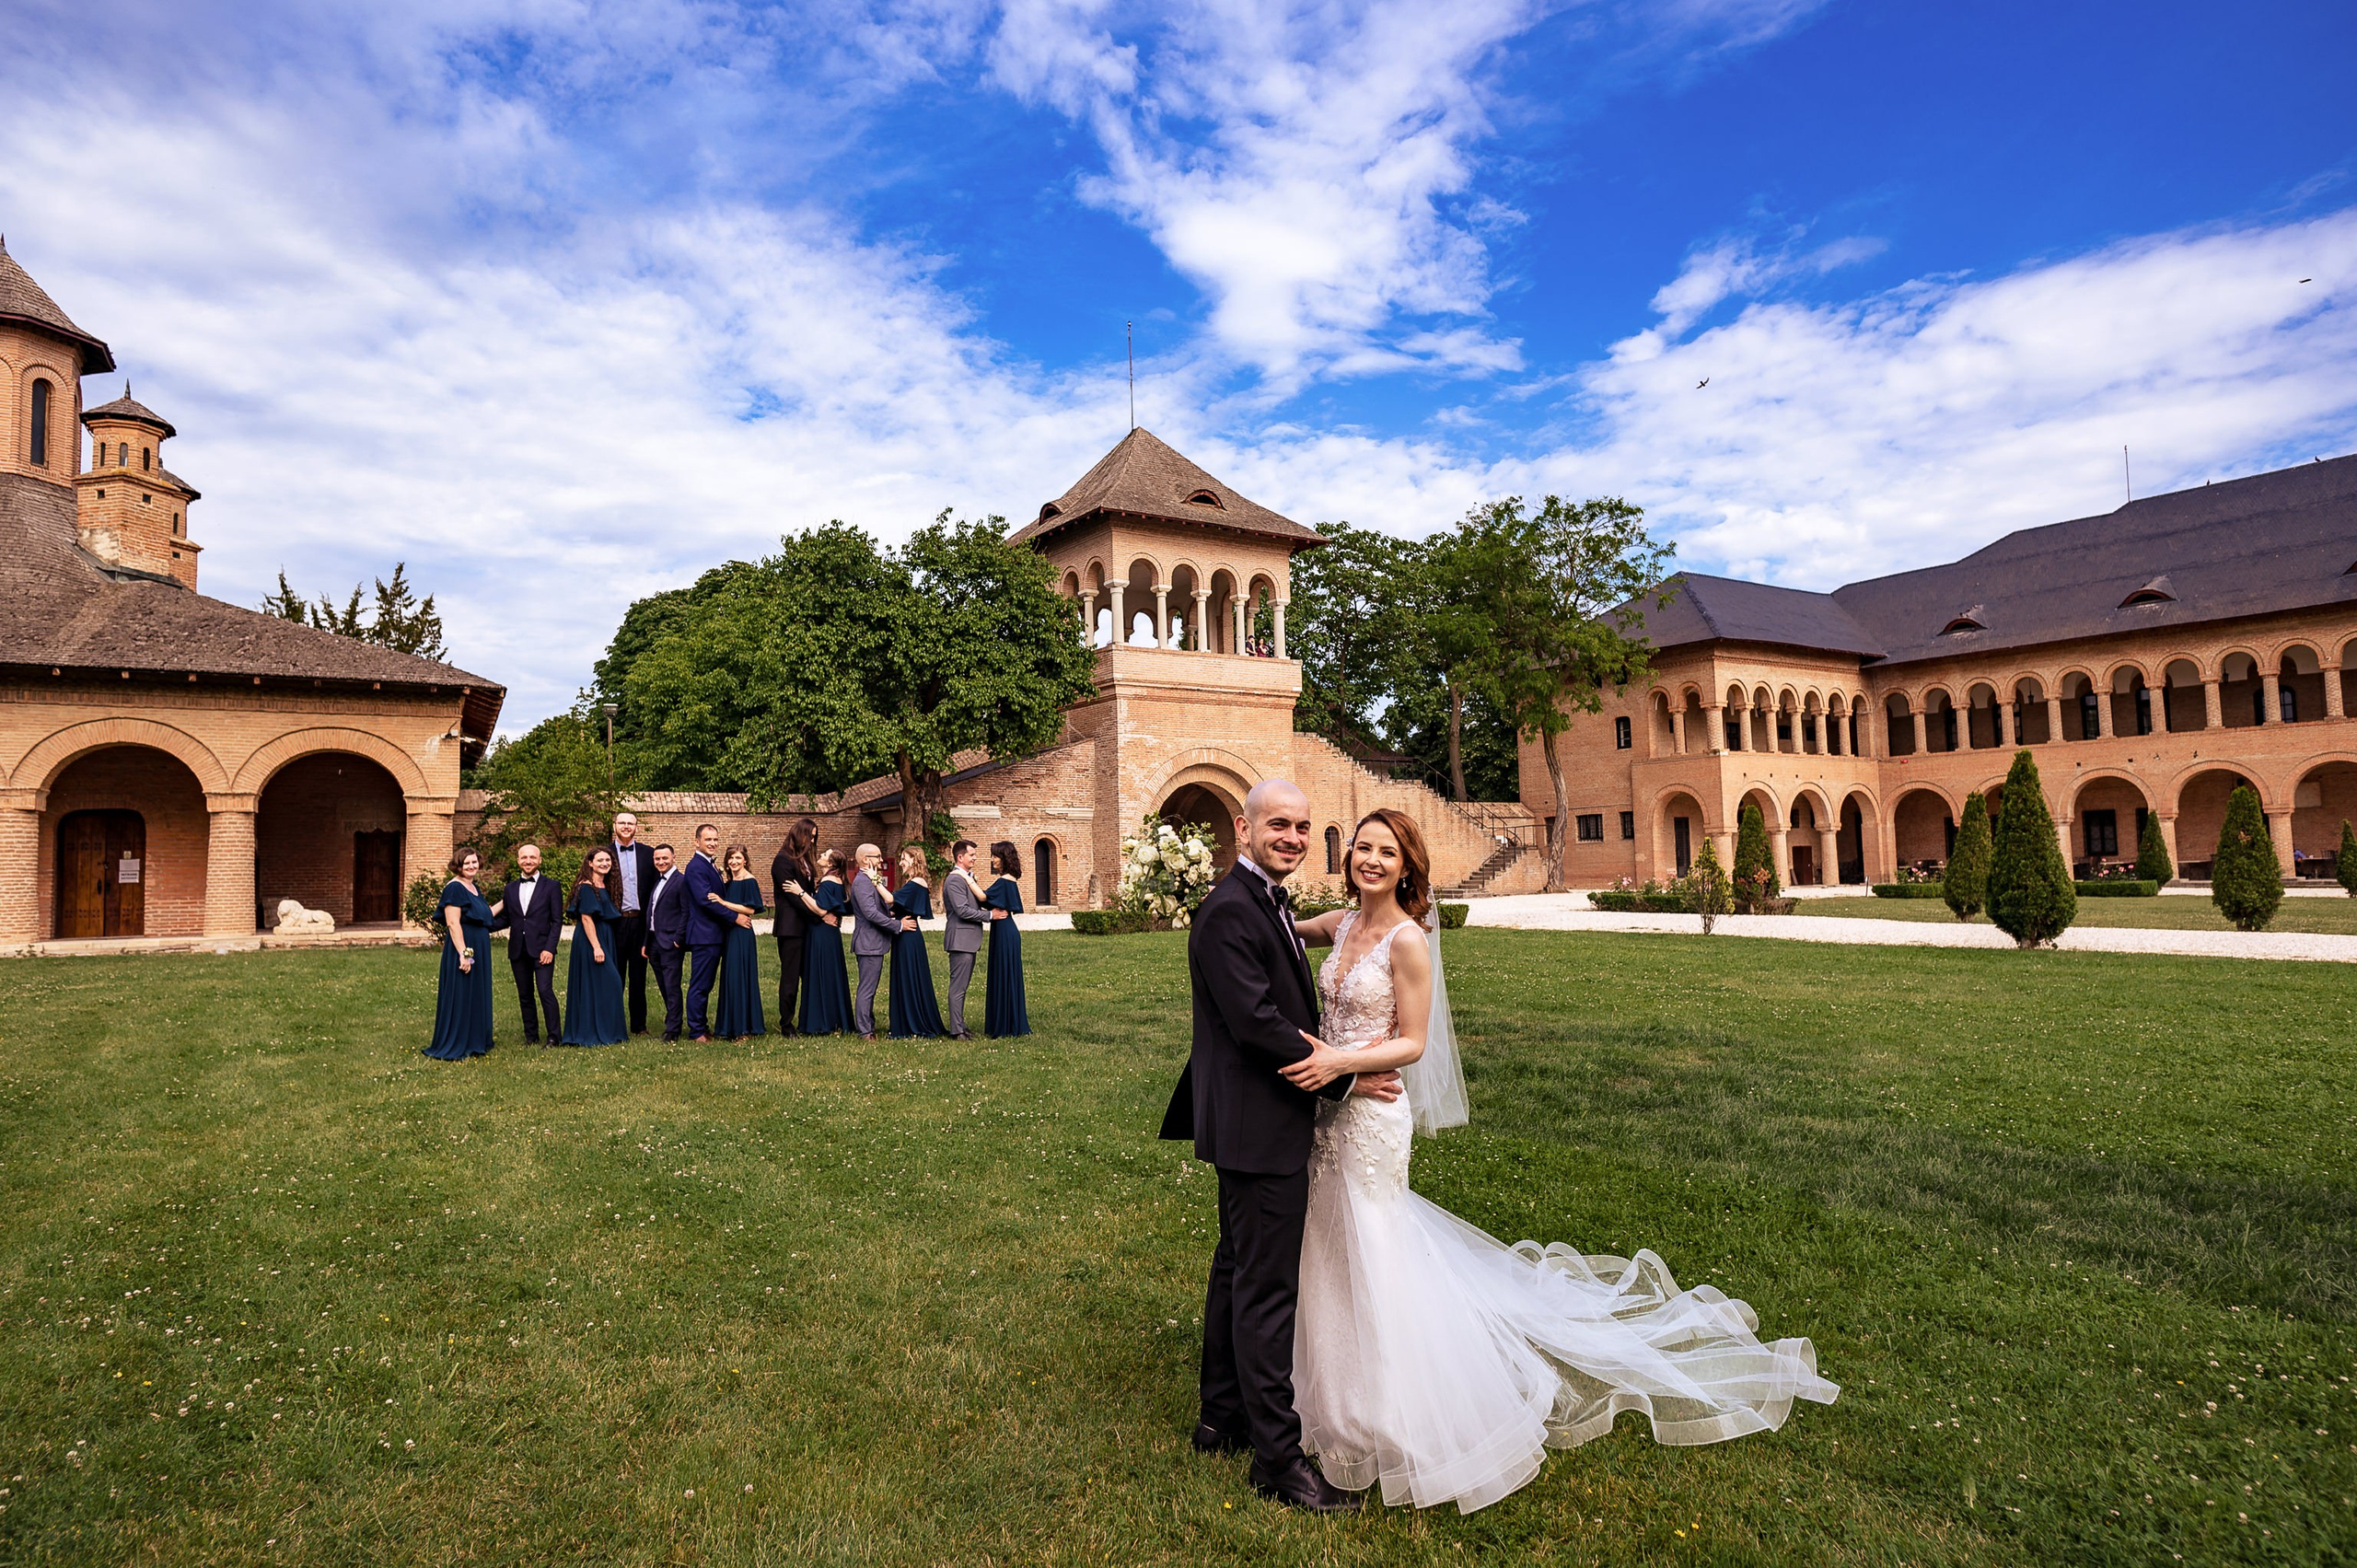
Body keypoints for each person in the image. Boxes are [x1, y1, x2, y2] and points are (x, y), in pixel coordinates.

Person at [1279, 808, 1838, 1513]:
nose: (1370, 859)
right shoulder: (1337, 924)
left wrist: (1338, 1060)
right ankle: (1322, 1393)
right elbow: (1272, 931)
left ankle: (1394, 1408)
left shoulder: (1406, 940)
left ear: (1406, 865)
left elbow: (1414, 1042)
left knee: (1375, 1244)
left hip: (1371, 1114)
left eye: (1386, 852)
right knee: (1328, 1245)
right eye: (1361, 845)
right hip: (1328, 1113)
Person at [1159, 779, 1384, 1512]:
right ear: (1243, 828)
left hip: (1250, 1121)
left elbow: (1283, 975)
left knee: (1235, 1271)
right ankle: (1278, 1462)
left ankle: (1219, 1416)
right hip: (1260, 1124)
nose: (1291, 836)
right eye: (1279, 825)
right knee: (1266, 1290)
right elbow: (1257, 1023)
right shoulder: (1229, 910)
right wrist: (1346, 1081)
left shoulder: (1264, 899)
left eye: (1302, 825)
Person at [424, 848, 500, 1061]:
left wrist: (508, 899)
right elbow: (453, 923)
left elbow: (484, 915)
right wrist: (465, 954)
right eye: (466, 863)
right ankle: (458, 1042)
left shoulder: (472, 887)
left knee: (475, 992)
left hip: (479, 945)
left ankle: (475, 1040)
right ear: (458, 865)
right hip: (465, 946)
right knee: (462, 992)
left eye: (474, 862)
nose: (471, 866)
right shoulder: (455, 888)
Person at [558, 847, 628, 1046]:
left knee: (603, 985)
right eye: (600, 860)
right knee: (610, 983)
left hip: (605, 936)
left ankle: (608, 1031)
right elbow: (587, 919)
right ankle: (592, 1032)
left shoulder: (605, 885)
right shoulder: (586, 887)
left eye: (608, 860)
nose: (605, 863)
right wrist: (597, 947)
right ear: (590, 863)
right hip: (591, 939)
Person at [495, 842, 563, 1045]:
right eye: (524, 857)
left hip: (542, 950)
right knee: (525, 995)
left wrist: (549, 949)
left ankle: (554, 1037)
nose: (528, 861)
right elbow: (506, 918)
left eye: (532, 857)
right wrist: (479, 925)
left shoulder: (552, 886)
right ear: (518, 861)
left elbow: (557, 920)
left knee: (545, 991)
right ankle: (531, 1037)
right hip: (518, 950)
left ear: (539, 860)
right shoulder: (510, 888)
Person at [682, 823, 737, 1042]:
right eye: (708, 840)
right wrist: (735, 917)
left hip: (713, 934)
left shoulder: (710, 865)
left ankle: (703, 1026)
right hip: (704, 935)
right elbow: (706, 900)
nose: (713, 843)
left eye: (716, 839)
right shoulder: (696, 867)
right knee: (700, 984)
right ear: (697, 842)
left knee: (707, 983)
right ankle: (696, 1031)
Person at [886, 843, 946, 1039]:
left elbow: (890, 899)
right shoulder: (911, 882)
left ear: (915, 860)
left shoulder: (917, 882)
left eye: (905, 858)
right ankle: (905, 1020)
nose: (901, 862)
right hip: (904, 934)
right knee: (904, 976)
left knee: (909, 976)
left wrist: (875, 880)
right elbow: (898, 908)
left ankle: (914, 1021)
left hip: (909, 937)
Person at [940, 838, 998, 1040]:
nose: (975, 858)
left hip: (968, 940)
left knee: (962, 987)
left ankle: (961, 1025)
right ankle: (956, 1030)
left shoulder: (966, 877)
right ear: (960, 857)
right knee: (958, 987)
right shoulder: (955, 879)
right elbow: (962, 911)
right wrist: (990, 916)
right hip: (960, 940)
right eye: (972, 855)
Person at [607, 813, 659, 1036]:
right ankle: (614, 1023)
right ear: (615, 826)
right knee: (613, 976)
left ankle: (639, 1026)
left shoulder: (649, 854)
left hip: (640, 923)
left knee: (638, 978)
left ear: (636, 827)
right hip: (615, 923)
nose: (626, 827)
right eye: (622, 823)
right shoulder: (604, 854)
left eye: (630, 823)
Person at [710, 845, 768, 1040]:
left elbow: (751, 909)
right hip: (729, 933)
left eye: (737, 858)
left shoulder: (749, 881)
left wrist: (724, 903)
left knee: (741, 977)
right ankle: (729, 1027)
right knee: (730, 977)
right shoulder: (730, 882)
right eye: (730, 859)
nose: (733, 862)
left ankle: (745, 1029)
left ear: (745, 860)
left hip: (742, 934)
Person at [770, 819, 821, 1033]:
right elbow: (794, 899)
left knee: (808, 974)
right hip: (790, 928)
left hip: (806, 926)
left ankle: (810, 1019)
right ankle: (786, 1023)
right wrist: (819, 916)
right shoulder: (782, 861)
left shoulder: (804, 861)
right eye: (810, 836)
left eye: (815, 837)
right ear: (800, 835)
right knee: (790, 978)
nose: (812, 840)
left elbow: (807, 893)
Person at [846, 842, 901, 1040]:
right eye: (877, 856)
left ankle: (868, 1025)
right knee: (867, 988)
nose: (881, 860)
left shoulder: (870, 879)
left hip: (873, 942)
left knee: (869, 986)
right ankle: (865, 1031)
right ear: (865, 860)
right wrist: (897, 926)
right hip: (868, 942)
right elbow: (870, 913)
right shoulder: (862, 881)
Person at [799, 849, 854, 1034]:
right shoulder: (838, 881)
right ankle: (835, 1018)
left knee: (820, 971)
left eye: (825, 855)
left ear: (831, 864)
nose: (821, 855)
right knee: (831, 973)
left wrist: (800, 893)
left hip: (822, 934)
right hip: (830, 934)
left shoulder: (828, 881)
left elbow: (821, 910)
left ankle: (820, 1021)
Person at [982, 840, 1029, 1038]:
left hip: (1004, 931)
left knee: (1003, 973)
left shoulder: (1005, 880)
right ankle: (1008, 1019)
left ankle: (1005, 1023)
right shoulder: (1007, 879)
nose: (992, 859)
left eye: (995, 856)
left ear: (1004, 858)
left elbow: (983, 898)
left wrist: (966, 880)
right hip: (1004, 930)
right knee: (1005, 973)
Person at [645, 842, 690, 1041]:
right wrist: (647, 942)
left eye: (664, 858)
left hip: (671, 943)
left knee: (672, 986)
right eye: (657, 859)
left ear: (673, 858)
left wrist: (678, 939)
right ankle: (672, 1020)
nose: (661, 861)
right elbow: (652, 912)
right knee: (663, 985)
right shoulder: (658, 880)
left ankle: (673, 1030)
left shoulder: (681, 881)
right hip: (654, 941)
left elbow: (686, 911)